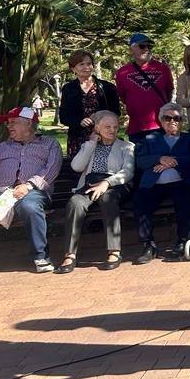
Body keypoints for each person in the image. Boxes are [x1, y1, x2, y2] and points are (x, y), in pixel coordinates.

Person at [0, 106, 62, 276]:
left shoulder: (49, 144)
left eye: (13, 122)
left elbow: (51, 169)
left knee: (29, 207)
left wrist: (28, 186)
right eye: (8, 123)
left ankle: (41, 256)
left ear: (29, 124)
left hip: (33, 190)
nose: (9, 126)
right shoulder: (1, 147)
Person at [55, 111, 135, 273]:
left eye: (115, 126)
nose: (112, 130)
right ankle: (70, 254)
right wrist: (91, 143)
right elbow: (76, 166)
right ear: (97, 128)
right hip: (89, 183)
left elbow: (128, 172)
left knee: (108, 199)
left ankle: (114, 252)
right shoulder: (88, 146)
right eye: (107, 127)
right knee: (75, 202)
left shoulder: (126, 147)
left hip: (114, 183)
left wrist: (107, 183)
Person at [132, 104, 190, 264]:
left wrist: (174, 161)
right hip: (154, 184)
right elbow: (140, 161)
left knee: (184, 200)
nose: (172, 121)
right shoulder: (149, 139)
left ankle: (182, 241)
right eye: (167, 118)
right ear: (160, 120)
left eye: (177, 118)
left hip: (181, 182)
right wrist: (159, 159)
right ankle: (149, 245)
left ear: (182, 121)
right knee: (140, 202)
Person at [59, 49, 121, 158]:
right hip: (78, 138)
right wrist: (79, 121)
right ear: (73, 68)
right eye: (81, 64)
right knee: (79, 169)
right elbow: (64, 116)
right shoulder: (68, 89)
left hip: (103, 137)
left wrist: (100, 116)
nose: (86, 67)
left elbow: (116, 112)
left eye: (89, 64)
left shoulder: (107, 87)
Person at [115, 33, 174, 143]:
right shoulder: (122, 72)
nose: (146, 49)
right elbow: (123, 97)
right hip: (136, 128)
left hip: (162, 125)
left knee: (164, 158)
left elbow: (168, 92)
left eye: (149, 46)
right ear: (131, 49)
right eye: (142, 46)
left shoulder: (163, 68)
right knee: (141, 159)